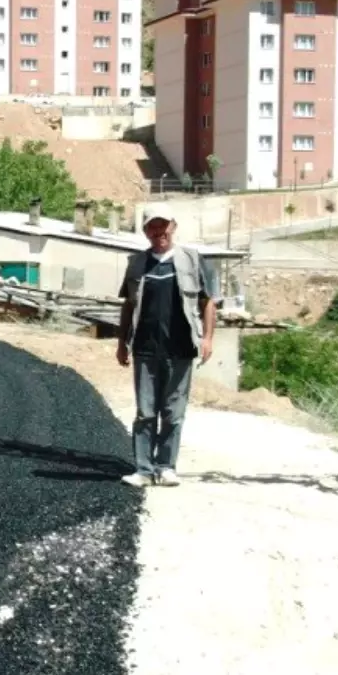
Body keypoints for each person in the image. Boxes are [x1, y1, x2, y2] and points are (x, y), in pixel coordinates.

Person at [116, 202, 218, 488]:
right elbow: (128, 305)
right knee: (145, 412)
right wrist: (121, 343)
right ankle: (144, 470)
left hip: (181, 348)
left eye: (163, 225)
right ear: (145, 231)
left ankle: (166, 466)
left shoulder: (192, 259)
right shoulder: (136, 263)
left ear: (173, 227)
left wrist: (208, 338)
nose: (158, 231)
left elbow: (207, 301)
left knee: (173, 413)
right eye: (152, 226)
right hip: (145, 349)